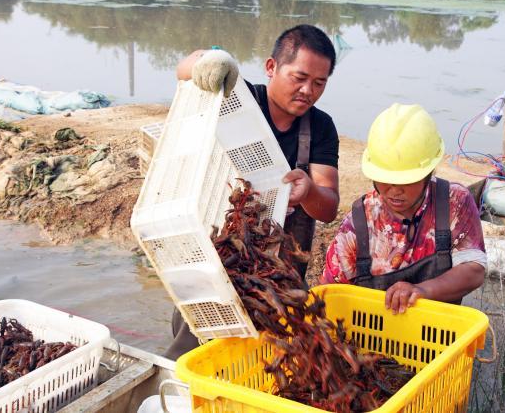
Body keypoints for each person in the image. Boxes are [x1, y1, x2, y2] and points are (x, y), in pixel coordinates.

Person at [165, 24, 340, 359]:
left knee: (269, 358)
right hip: (217, 261)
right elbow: (185, 68)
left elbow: (329, 207)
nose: (308, 90)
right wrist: (210, 62)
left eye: (319, 83)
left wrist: (308, 193)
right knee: (193, 351)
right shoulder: (236, 97)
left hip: (278, 278)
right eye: (299, 77)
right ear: (271, 67)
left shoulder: (321, 128)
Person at [321, 103, 486, 314]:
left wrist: (422, 291)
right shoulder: (358, 223)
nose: (394, 190)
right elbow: (329, 294)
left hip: (436, 335)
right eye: (385, 180)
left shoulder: (453, 201)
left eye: (406, 181)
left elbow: (473, 270)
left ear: (428, 172)